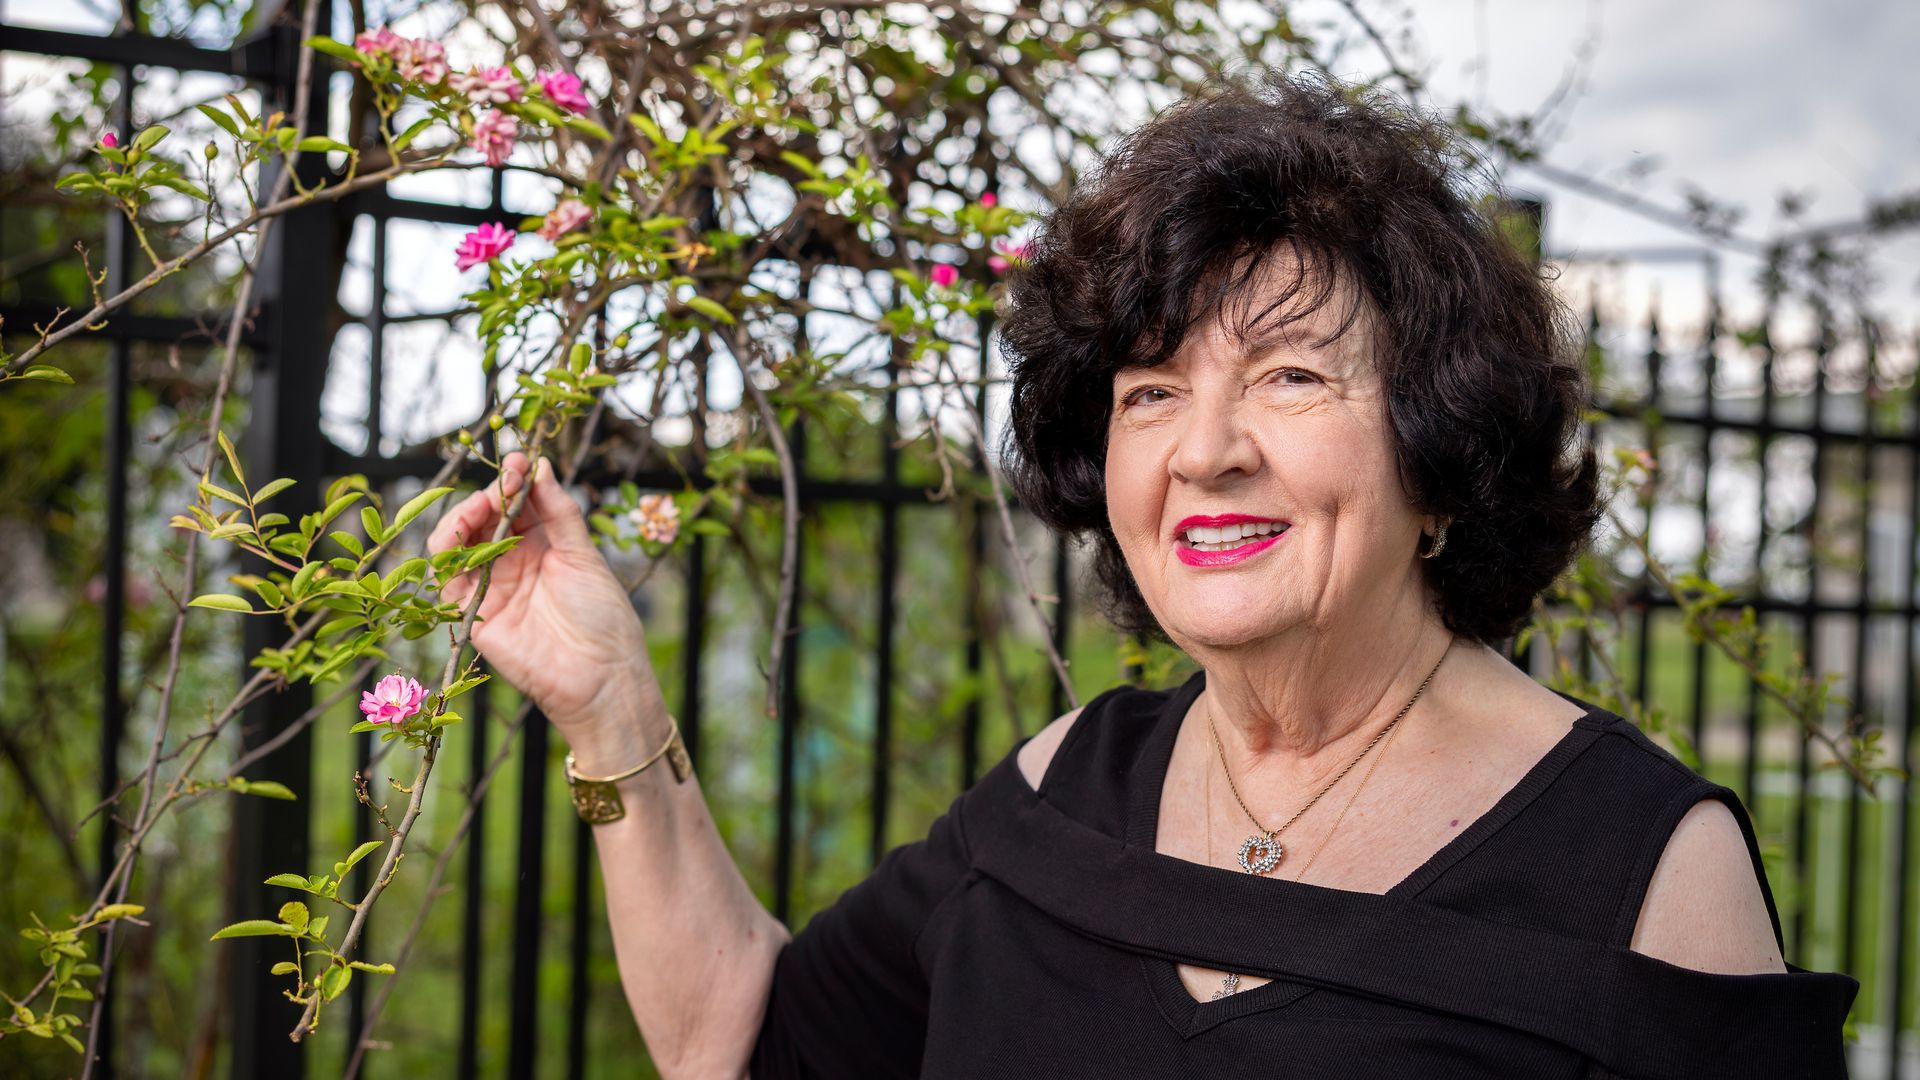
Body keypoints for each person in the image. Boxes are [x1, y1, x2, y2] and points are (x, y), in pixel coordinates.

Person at [426, 70, 1856, 1079]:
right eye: (1151, 392)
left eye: (1291, 376)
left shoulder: (1643, 872)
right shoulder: (1063, 798)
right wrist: (611, 711)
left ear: (1439, 449)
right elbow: (742, 1039)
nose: (1205, 452)